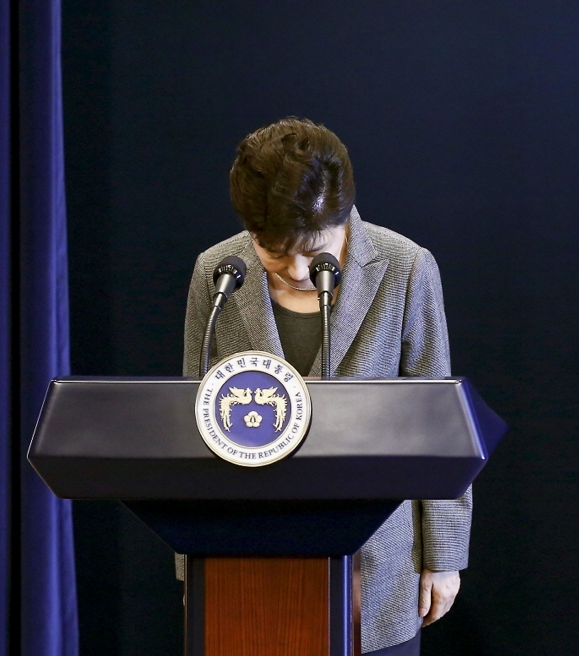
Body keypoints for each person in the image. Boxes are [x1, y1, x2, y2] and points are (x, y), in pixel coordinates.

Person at [181, 117, 471, 655]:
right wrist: (189, 562)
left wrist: (444, 558)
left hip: (377, 562)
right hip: (244, 559)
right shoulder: (216, 274)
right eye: (273, 251)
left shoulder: (405, 267)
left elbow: (441, 426)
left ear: (339, 218)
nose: (293, 268)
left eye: (311, 250)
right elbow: (192, 419)